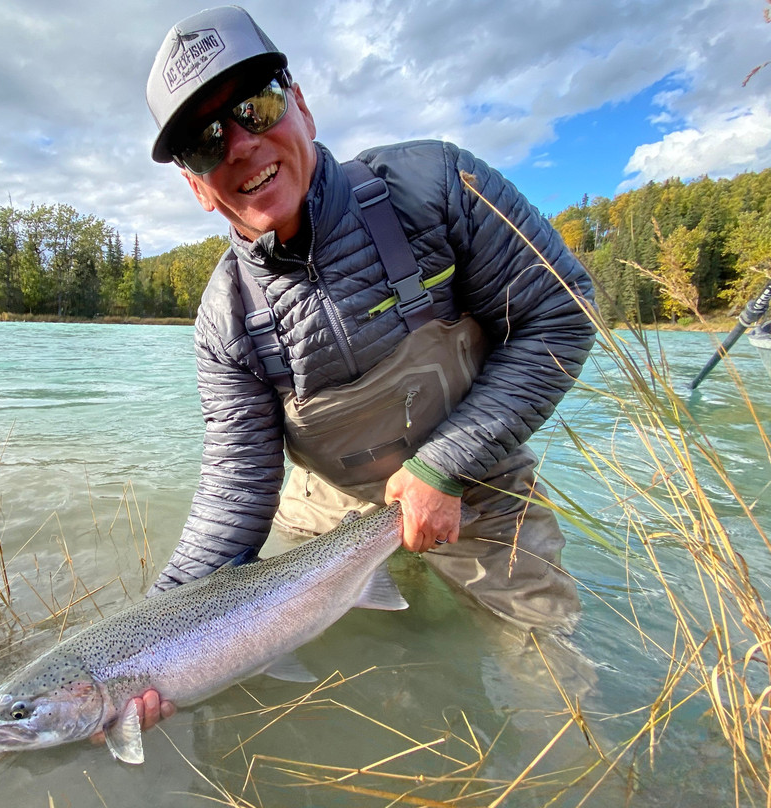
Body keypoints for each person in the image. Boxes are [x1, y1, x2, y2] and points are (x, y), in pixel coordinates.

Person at [118, 4, 596, 736]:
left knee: (557, 696)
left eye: (255, 106)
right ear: (196, 185)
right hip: (330, 509)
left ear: (302, 105)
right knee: (317, 712)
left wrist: (444, 466)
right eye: (205, 142)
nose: (240, 144)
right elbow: (238, 487)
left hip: (480, 480)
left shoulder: (436, 187)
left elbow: (561, 315)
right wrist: (149, 645)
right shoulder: (226, 319)